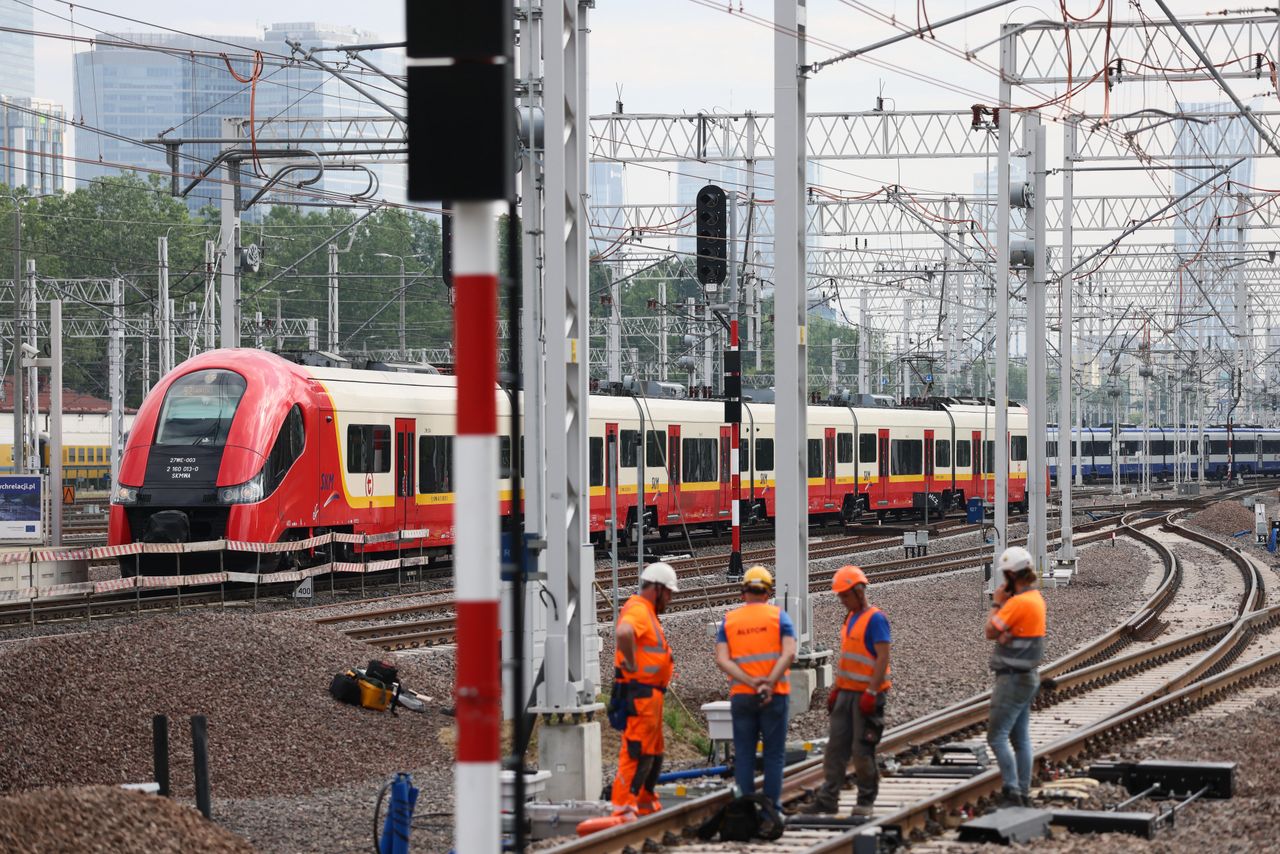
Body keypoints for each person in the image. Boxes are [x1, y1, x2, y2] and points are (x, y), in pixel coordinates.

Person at [802, 565, 891, 818]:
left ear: (859, 591)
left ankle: (865, 801)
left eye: (845, 595)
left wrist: (872, 693)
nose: (842, 600)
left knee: (862, 750)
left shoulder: (876, 619)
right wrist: (837, 689)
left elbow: (882, 658)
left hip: (867, 696)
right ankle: (828, 799)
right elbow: (849, 659)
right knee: (835, 749)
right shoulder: (851, 617)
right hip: (847, 694)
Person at [714, 565, 798, 811]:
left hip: (742, 696)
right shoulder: (779, 617)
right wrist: (768, 682)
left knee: (744, 755)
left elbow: (722, 659)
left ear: (743, 592)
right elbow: (790, 652)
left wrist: (750, 682)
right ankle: (771, 811)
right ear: (768, 593)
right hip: (775, 695)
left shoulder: (729, 621)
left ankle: (744, 812)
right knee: (773, 755)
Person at [609, 561, 679, 820]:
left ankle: (645, 800)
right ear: (657, 589)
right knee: (636, 749)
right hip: (639, 694)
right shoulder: (638, 609)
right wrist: (631, 662)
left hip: (650, 696)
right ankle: (623, 805)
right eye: (669, 592)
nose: (670, 599)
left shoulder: (647, 611)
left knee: (653, 751)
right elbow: (625, 632)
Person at [985, 545, 1047, 809]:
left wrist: (998, 603)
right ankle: (1022, 792)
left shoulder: (1017, 603)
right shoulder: (1036, 600)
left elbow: (990, 631)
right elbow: (1003, 633)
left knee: (997, 736)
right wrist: (1004, 632)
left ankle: (1011, 790)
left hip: (1011, 679)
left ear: (1011, 575)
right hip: (1028, 676)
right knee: (1020, 738)